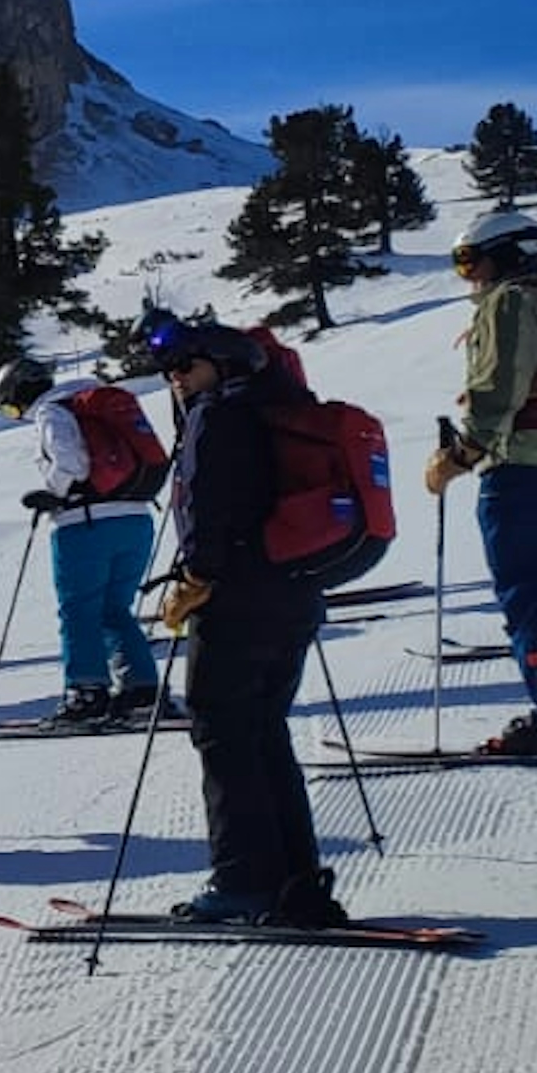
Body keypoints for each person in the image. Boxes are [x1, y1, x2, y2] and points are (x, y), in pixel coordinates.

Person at [145, 318, 342, 925]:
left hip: (236, 597)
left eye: (185, 366)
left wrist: (194, 580)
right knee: (262, 729)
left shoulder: (219, 414)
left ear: (223, 363)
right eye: (168, 370)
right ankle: (295, 878)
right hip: (293, 594)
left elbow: (208, 507)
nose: (174, 379)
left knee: (223, 728)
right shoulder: (279, 409)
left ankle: (244, 879)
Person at [427, 207, 537, 756]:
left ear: (508, 252)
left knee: (529, 593)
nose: (471, 277)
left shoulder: (513, 298)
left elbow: (499, 388)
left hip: (524, 470)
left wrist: (461, 455)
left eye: (470, 261)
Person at [0, 356, 166, 726]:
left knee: (79, 610)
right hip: (136, 518)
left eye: (10, 406)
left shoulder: (51, 412)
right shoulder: (95, 401)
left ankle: (87, 692)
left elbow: (70, 463)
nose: (17, 413)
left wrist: (52, 492)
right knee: (115, 609)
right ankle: (143, 689)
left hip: (85, 523)